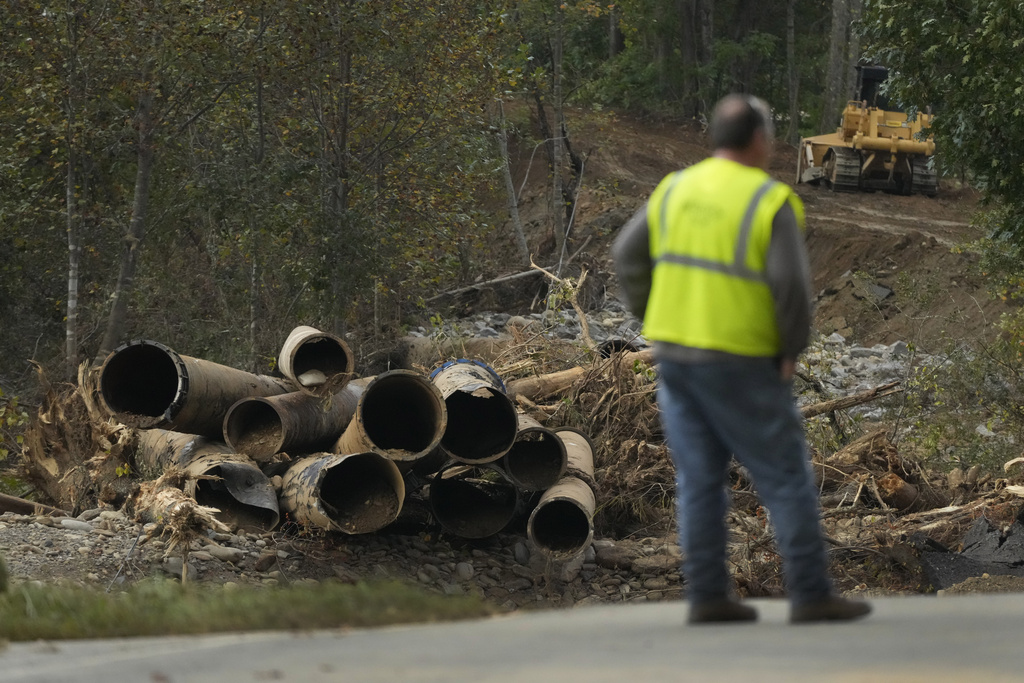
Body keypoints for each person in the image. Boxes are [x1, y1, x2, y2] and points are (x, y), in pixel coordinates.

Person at [611, 94, 872, 625]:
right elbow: (792, 289)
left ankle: (707, 596)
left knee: (699, 478)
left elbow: (626, 254)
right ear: (758, 140)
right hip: (742, 360)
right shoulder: (767, 200)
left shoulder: (674, 188)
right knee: (783, 475)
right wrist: (790, 349)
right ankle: (811, 593)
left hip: (675, 357)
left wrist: (653, 315)